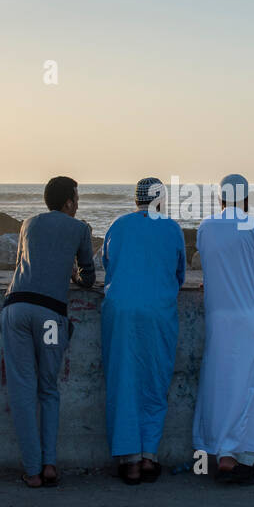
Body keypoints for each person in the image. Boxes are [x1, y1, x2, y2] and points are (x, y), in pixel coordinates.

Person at [1, 176, 96, 488]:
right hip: (51, 318)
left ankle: (32, 471)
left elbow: (21, 265)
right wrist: (71, 273)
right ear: (69, 202)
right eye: (77, 198)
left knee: (22, 391)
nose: (78, 203)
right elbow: (88, 278)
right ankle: (50, 464)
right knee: (48, 389)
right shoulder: (81, 228)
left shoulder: (28, 223)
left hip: (16, 310)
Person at [193, 174, 254, 485]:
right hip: (251, 318)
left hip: (218, 318)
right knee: (252, 387)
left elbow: (212, 267)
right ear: (246, 199)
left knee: (220, 384)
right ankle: (241, 458)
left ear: (220, 198)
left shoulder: (205, 227)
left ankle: (222, 454)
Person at [101, 177, 186, 485]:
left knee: (123, 381)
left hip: (121, 311)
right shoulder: (172, 228)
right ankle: (149, 456)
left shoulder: (118, 225)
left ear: (135, 200)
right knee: (155, 379)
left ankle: (130, 462)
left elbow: (107, 264)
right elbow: (180, 273)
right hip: (158, 312)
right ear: (162, 200)